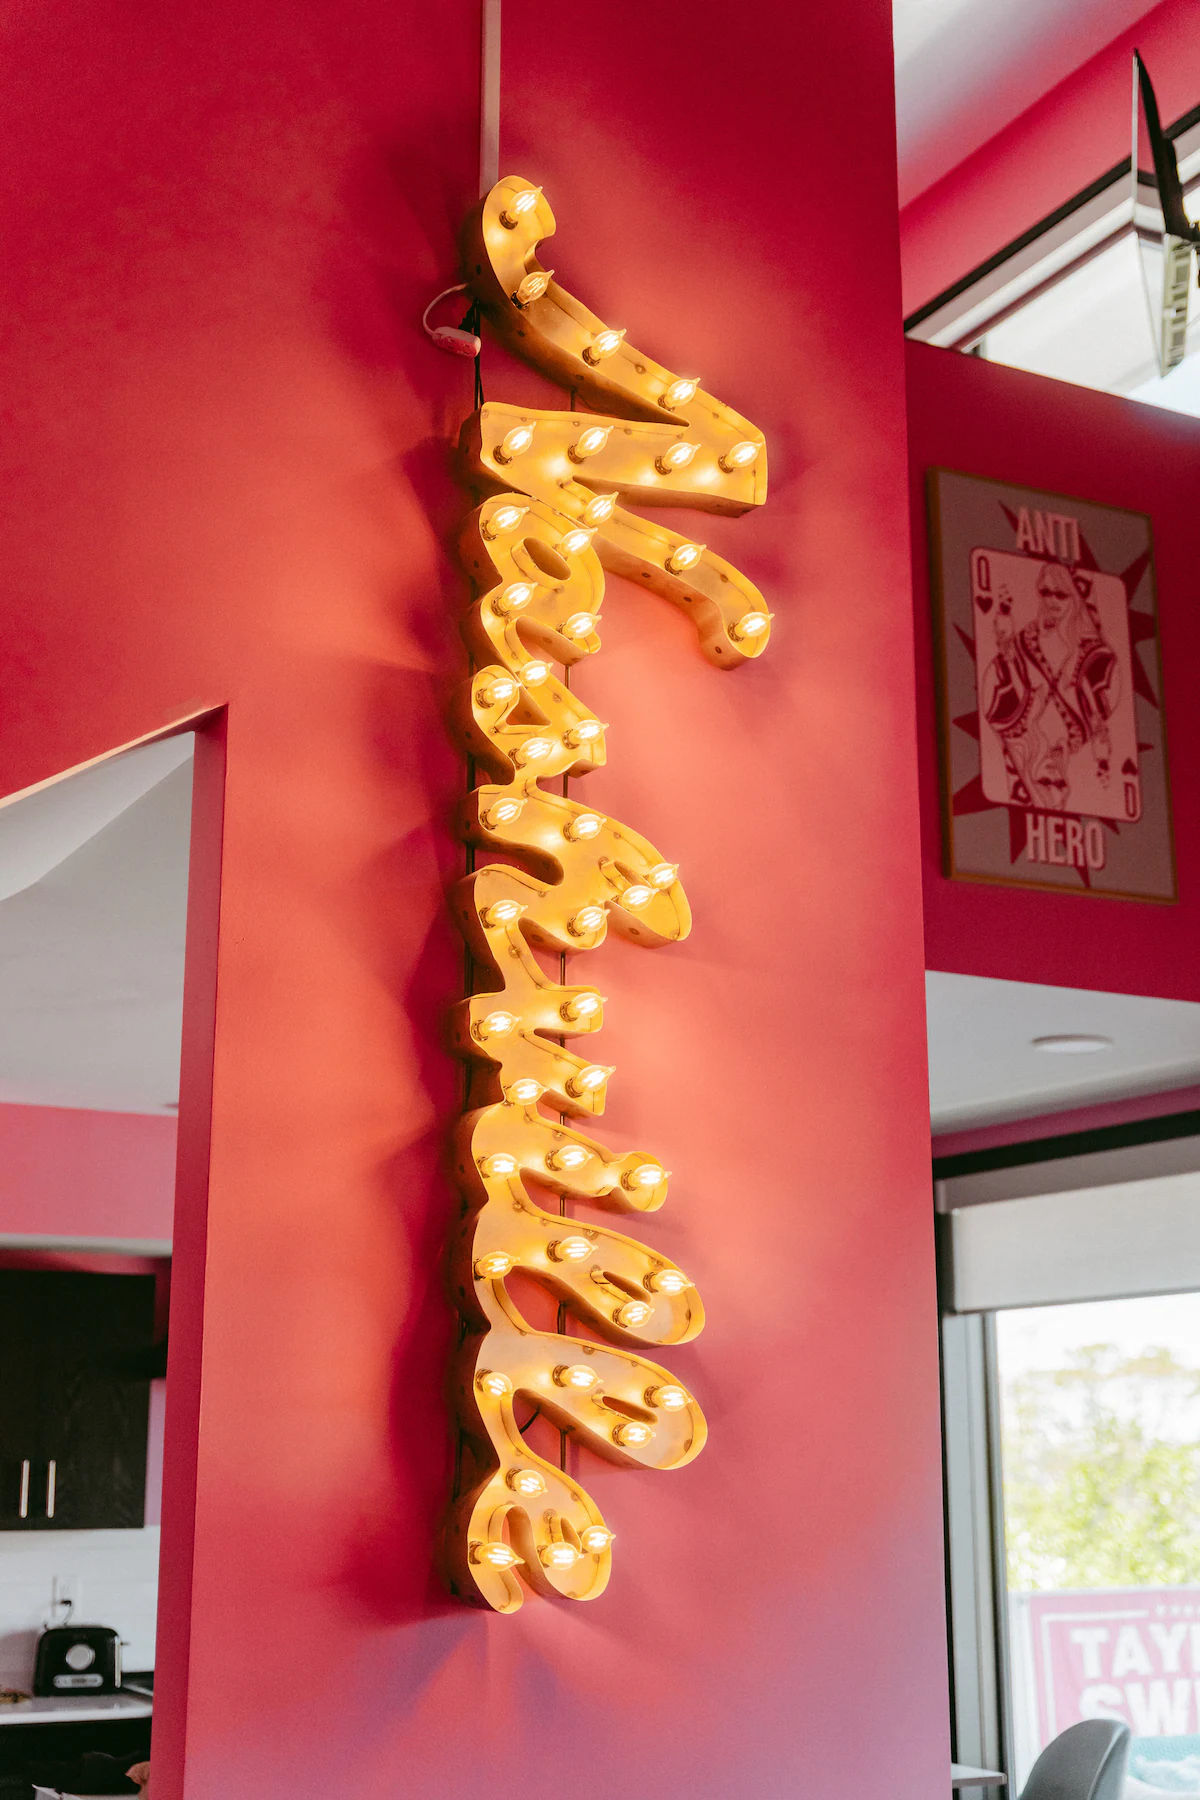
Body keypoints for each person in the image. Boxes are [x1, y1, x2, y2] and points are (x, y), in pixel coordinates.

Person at [981, 560, 1120, 811]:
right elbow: (1004, 672)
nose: (1052, 600)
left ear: (1073, 598)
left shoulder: (1091, 654)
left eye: (1061, 594)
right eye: (1045, 592)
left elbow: (1099, 715)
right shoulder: (1024, 642)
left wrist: (1102, 762)